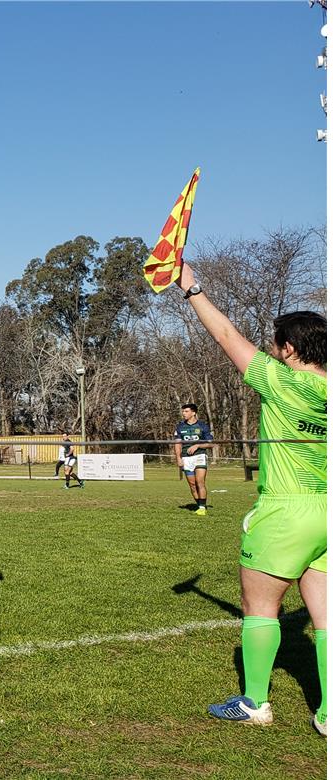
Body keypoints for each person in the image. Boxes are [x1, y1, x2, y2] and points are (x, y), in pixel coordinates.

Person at [172, 266, 327, 732]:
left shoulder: (282, 381)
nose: (273, 352)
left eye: (277, 345)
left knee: (259, 607)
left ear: (290, 349)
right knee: (325, 618)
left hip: (285, 510)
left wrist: (191, 287)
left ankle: (255, 703)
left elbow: (224, 334)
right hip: (327, 513)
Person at [174, 403, 214, 515]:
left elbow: (211, 444)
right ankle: (200, 505)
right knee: (192, 485)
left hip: (200, 456)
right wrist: (178, 458)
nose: (183, 414)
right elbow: (177, 444)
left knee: (199, 481)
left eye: (186, 411)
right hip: (186, 458)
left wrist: (198, 445)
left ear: (193, 412)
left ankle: (202, 508)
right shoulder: (180, 427)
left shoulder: (202, 426)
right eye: (183, 411)